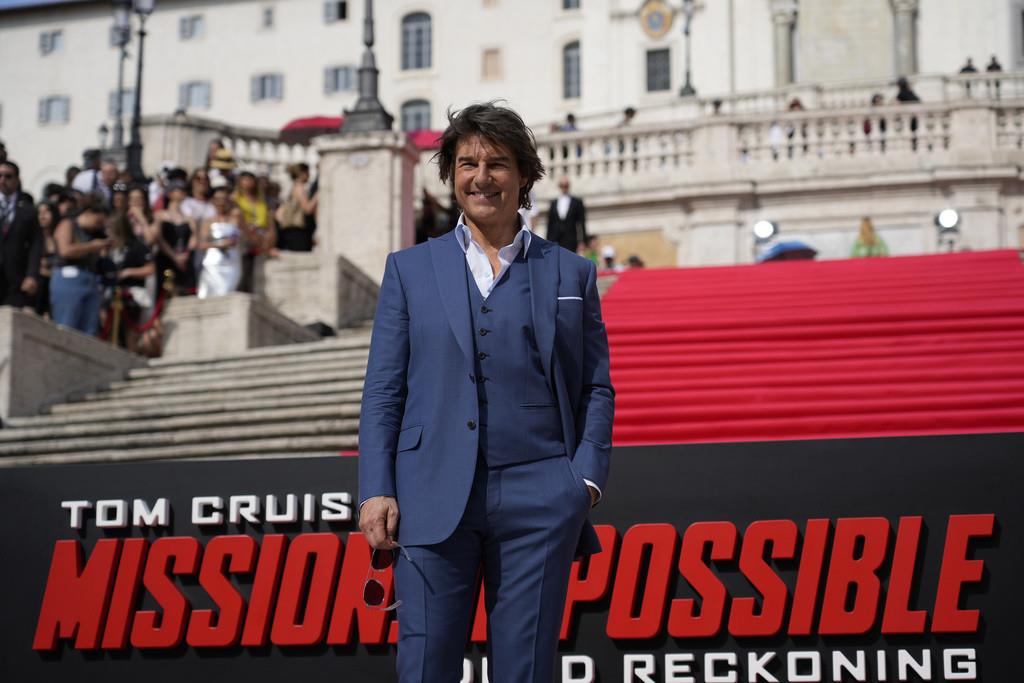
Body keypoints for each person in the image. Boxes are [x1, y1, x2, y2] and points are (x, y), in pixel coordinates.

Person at [358, 102, 614, 683]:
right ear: (450, 174)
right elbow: (382, 391)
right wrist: (376, 489)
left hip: (542, 497)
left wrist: (585, 481)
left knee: (524, 672)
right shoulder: (408, 269)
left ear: (524, 175)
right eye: (467, 162)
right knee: (425, 668)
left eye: (497, 163)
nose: (481, 176)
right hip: (427, 497)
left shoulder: (571, 272)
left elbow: (595, 386)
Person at [51, 200, 111, 334]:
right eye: (98, 222)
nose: (99, 226)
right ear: (89, 213)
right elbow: (65, 250)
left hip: (90, 280)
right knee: (67, 325)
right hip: (68, 278)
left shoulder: (94, 234)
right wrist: (92, 246)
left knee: (88, 330)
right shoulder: (68, 224)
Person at [0, 160, 42, 308]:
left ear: (17, 180)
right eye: (0, 175)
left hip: (15, 279)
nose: (3, 180)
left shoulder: (28, 210)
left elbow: (35, 244)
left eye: (8, 176)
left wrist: (31, 275)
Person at [154, 180, 198, 295]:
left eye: (184, 190)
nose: (182, 192)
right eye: (179, 190)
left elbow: (194, 238)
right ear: (170, 193)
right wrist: (174, 257)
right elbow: (158, 238)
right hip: (166, 260)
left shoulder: (189, 218)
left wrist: (185, 255)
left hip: (184, 261)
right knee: (166, 291)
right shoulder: (160, 215)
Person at [197, 187, 242, 298]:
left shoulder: (236, 218)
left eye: (224, 199)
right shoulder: (208, 221)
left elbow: (243, 237)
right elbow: (202, 244)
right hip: (213, 264)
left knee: (229, 292)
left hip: (232, 262)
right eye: (217, 199)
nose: (221, 202)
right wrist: (222, 243)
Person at [275, 163, 317, 251]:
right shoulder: (299, 188)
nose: (309, 175)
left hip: (292, 230)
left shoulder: (293, 186)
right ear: (302, 173)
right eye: (308, 172)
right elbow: (307, 209)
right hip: (297, 230)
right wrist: (318, 195)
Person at [546, 176, 588, 252]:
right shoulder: (553, 203)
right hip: (555, 240)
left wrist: (582, 241)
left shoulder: (577, 202)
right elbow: (550, 224)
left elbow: (581, 223)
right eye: (562, 186)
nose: (564, 188)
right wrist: (548, 242)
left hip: (571, 241)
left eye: (566, 186)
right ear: (559, 186)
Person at [34, 201, 60, 317]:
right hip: (37, 289)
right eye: (39, 212)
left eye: (46, 211)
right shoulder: (32, 237)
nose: (42, 215)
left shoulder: (60, 237)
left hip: (55, 287)